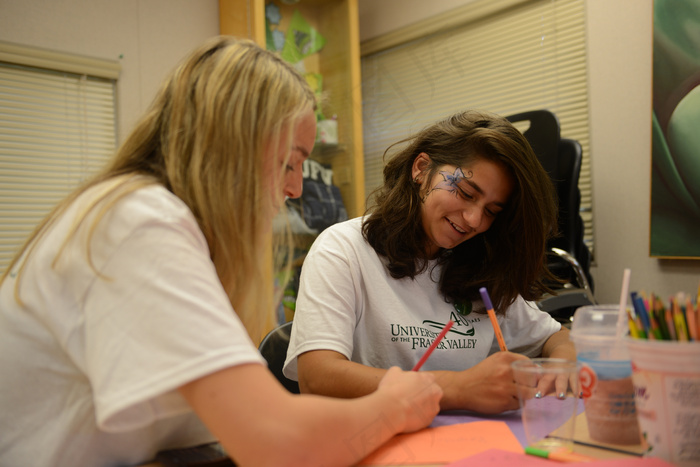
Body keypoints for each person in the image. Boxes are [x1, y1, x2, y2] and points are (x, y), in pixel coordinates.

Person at [0, 36, 442, 467]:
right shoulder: (140, 221)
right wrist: (394, 404)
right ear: (231, 142)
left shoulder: (142, 214)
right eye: (290, 162)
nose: (294, 188)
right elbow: (277, 444)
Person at [283, 110, 577, 414]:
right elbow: (317, 378)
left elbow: (555, 337)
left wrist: (564, 361)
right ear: (421, 169)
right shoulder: (343, 250)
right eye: (464, 192)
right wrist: (458, 389)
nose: (475, 220)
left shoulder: (481, 266)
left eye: (492, 211)